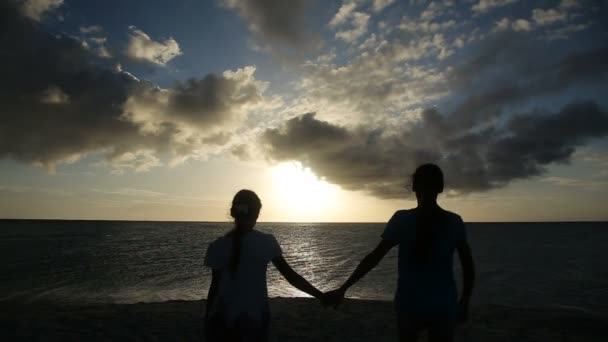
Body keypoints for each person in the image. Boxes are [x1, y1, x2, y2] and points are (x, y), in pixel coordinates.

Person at [325, 163, 475, 342]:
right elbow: (468, 267)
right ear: (441, 188)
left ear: (413, 187)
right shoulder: (454, 222)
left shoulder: (402, 219)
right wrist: (465, 301)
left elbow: (374, 258)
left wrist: (344, 288)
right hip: (443, 304)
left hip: (410, 303)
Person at [204, 189, 325, 342]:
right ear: (256, 214)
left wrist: (207, 320)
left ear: (233, 212)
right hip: (255, 318)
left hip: (222, 320)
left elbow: (214, 288)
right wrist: (321, 296)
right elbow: (291, 276)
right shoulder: (266, 243)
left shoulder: (216, 246)